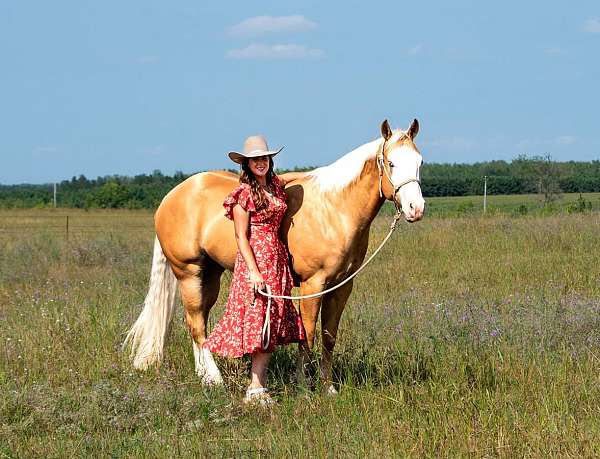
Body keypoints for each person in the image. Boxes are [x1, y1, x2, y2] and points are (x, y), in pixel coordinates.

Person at [203, 135, 305, 405]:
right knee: (259, 321)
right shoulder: (243, 195)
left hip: (277, 258)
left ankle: (258, 384)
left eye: (264, 158)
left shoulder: (275, 187)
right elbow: (240, 237)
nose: (260, 163)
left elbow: (292, 177)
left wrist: (316, 175)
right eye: (255, 159)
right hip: (256, 259)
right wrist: (253, 271)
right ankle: (255, 387)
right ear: (246, 164)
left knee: (272, 322)